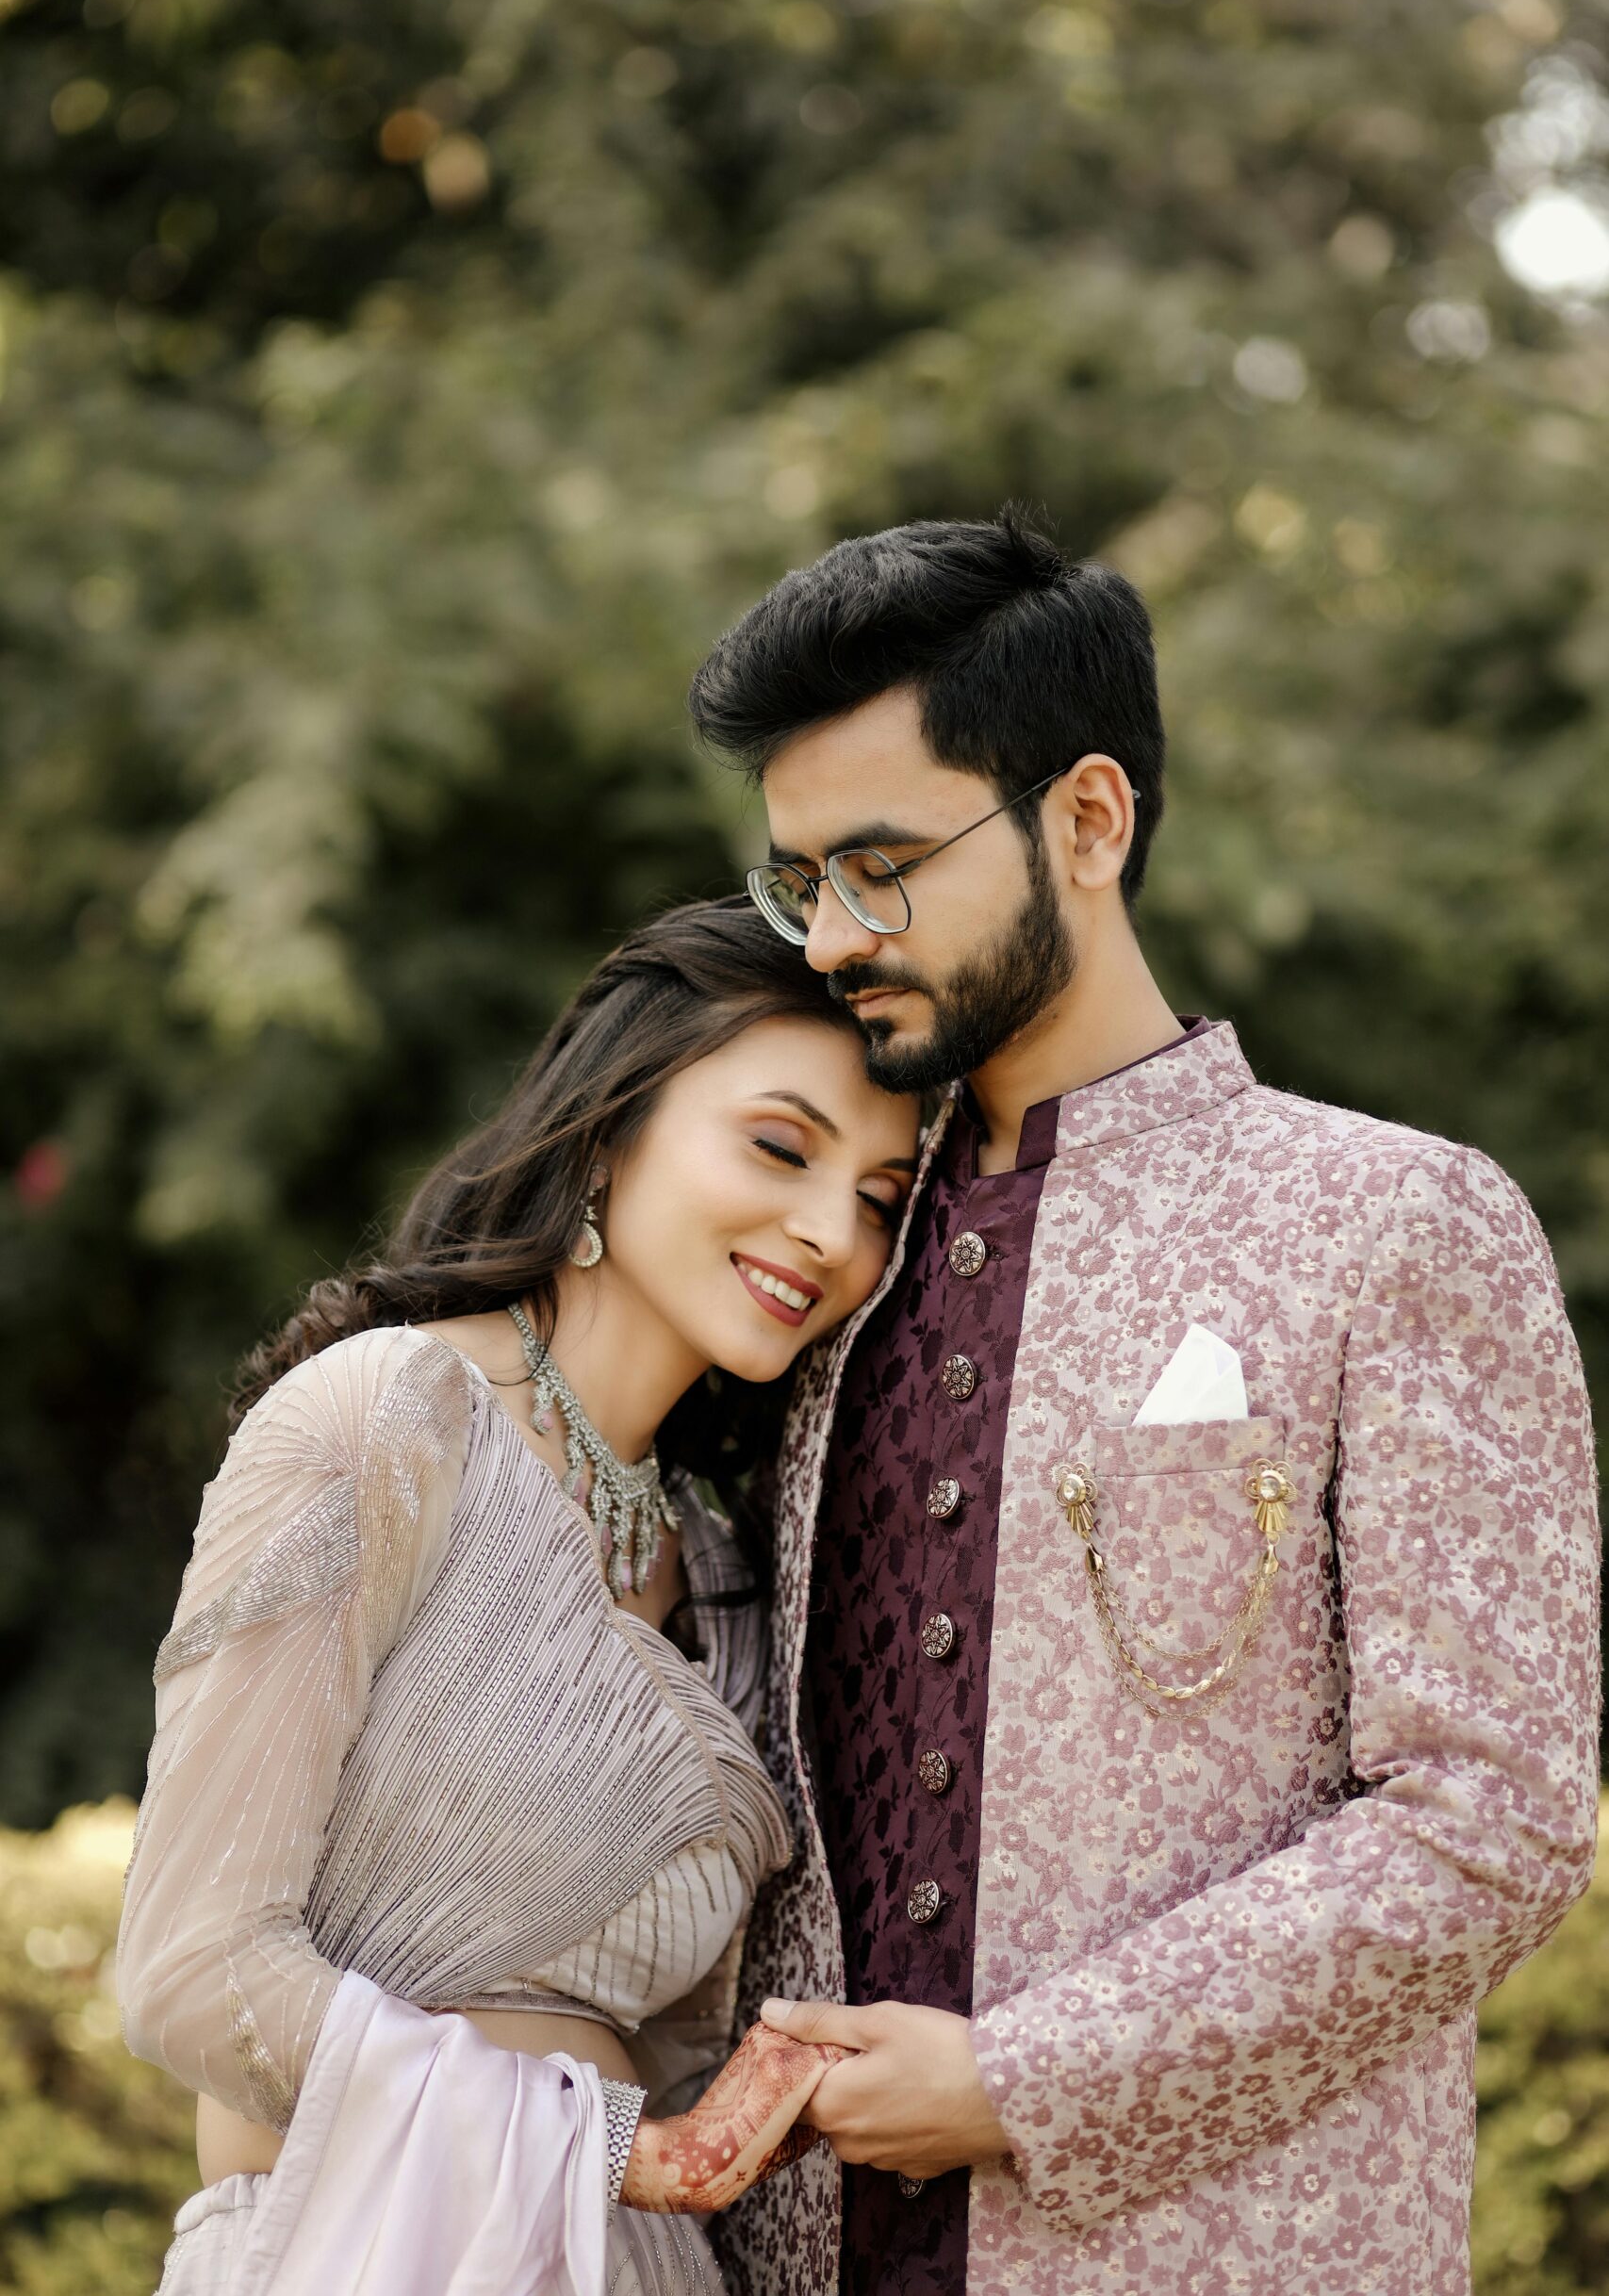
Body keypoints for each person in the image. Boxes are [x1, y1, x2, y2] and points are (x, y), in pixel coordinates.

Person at [687, 510, 1601, 2296]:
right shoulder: (825, 1253)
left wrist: (1027, 2080)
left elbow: (1492, 1816)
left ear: (1088, 821)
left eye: (883, 866)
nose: (834, 936)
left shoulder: (1387, 1222)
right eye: (802, 882)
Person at [117, 898, 921, 2296]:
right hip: (367, 2257)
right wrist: (613, 2151)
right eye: (782, 1147)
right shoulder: (388, 1424)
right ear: (609, 1131)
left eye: (879, 1201)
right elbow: (193, 1973)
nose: (825, 1232)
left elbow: (684, 2054)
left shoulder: (724, 1567)